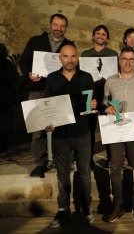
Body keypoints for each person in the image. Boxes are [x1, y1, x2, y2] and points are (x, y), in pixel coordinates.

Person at [45, 44, 96, 228]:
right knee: (63, 175)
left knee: (83, 173)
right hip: (60, 135)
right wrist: (47, 122)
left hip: (82, 133)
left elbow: (90, 106)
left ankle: (86, 207)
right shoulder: (51, 79)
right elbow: (47, 105)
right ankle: (63, 209)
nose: (70, 60)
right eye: (66, 56)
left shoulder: (86, 78)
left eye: (73, 56)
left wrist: (93, 104)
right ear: (60, 58)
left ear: (78, 57)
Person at [20, 13, 74, 178]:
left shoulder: (69, 44)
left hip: (60, 90)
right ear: (50, 25)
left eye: (62, 26)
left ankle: (61, 161)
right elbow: (24, 61)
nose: (59, 28)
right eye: (56, 25)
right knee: (38, 127)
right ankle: (40, 163)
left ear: (65, 28)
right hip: (38, 88)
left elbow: (73, 65)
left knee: (62, 127)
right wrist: (29, 74)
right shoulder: (35, 41)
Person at [103, 47, 134, 222]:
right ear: (119, 60)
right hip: (116, 129)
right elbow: (104, 100)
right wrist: (106, 107)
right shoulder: (110, 81)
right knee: (115, 166)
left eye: (131, 59)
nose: (128, 62)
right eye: (124, 58)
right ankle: (118, 203)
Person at [81, 25, 118, 168]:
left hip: (107, 94)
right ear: (93, 36)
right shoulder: (85, 54)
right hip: (90, 94)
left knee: (108, 125)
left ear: (107, 38)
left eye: (104, 34)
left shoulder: (113, 54)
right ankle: (88, 159)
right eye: (98, 34)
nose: (101, 36)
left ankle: (111, 158)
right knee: (88, 128)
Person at [0, 43, 18, 153]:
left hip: (4, 98)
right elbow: (14, 81)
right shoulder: (7, 64)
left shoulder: (7, 65)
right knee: (3, 125)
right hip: (5, 100)